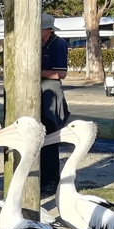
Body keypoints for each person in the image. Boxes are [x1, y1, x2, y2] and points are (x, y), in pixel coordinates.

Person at [40, 12, 70, 195]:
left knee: (50, 138)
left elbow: (61, 74)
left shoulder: (58, 44)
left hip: (51, 92)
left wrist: (37, 71)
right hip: (39, 93)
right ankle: (43, 178)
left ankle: (52, 180)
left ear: (48, 29)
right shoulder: (38, 44)